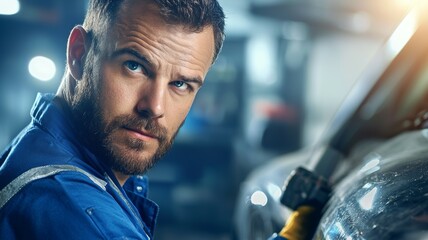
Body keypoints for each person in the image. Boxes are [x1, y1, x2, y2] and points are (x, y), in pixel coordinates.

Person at [0, 0, 225, 239]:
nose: (155, 107)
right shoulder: (85, 218)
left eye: (180, 84)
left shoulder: (39, 150)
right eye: (134, 66)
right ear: (78, 55)